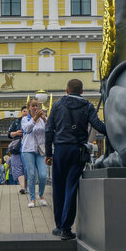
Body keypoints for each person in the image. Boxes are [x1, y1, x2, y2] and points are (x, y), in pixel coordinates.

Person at [45, 78, 106, 240]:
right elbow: (98, 125)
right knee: (71, 187)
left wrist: (48, 154)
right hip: (77, 150)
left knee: (58, 188)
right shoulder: (87, 106)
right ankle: (66, 228)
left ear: (66, 90)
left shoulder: (57, 105)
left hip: (60, 150)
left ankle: (59, 226)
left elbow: (48, 129)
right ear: (81, 91)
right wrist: (115, 130)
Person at [20, 99, 50, 208]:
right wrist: (34, 118)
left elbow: (50, 130)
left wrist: (44, 119)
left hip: (40, 150)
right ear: (29, 107)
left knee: (43, 175)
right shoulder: (25, 119)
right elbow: (27, 129)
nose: (35, 108)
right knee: (31, 174)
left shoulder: (42, 120)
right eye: (33, 106)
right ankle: (32, 199)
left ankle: (41, 195)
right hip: (28, 150)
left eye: (37, 106)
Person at [8, 106, 28, 195]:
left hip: (28, 147)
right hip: (17, 147)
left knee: (26, 167)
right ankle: (23, 187)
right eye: (24, 111)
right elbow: (9, 134)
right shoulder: (16, 122)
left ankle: (26, 187)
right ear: (21, 112)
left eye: (27, 111)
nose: (26, 112)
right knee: (17, 166)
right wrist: (16, 133)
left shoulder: (32, 120)